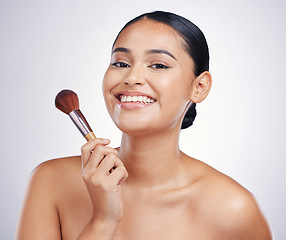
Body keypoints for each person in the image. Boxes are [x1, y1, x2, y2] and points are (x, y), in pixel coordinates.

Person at [16, 11, 272, 239]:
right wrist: (103, 221)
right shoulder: (50, 182)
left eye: (158, 65)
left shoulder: (233, 209)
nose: (132, 77)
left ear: (199, 87)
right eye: (121, 63)